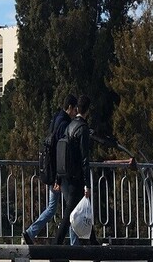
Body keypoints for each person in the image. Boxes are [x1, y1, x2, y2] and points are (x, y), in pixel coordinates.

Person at [22, 94, 78, 245]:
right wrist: (58, 178)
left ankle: (30, 232)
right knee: (71, 208)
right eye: (75, 110)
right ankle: (74, 244)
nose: (75, 113)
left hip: (52, 171)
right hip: (59, 174)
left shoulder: (56, 119)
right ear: (70, 108)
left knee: (52, 208)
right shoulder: (64, 124)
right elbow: (60, 153)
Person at [54, 94, 98, 245]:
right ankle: (56, 246)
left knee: (82, 211)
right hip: (77, 179)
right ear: (88, 110)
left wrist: (58, 178)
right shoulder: (83, 128)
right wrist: (87, 184)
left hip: (66, 175)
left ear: (77, 108)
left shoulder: (70, 125)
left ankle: (93, 243)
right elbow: (85, 159)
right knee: (69, 215)